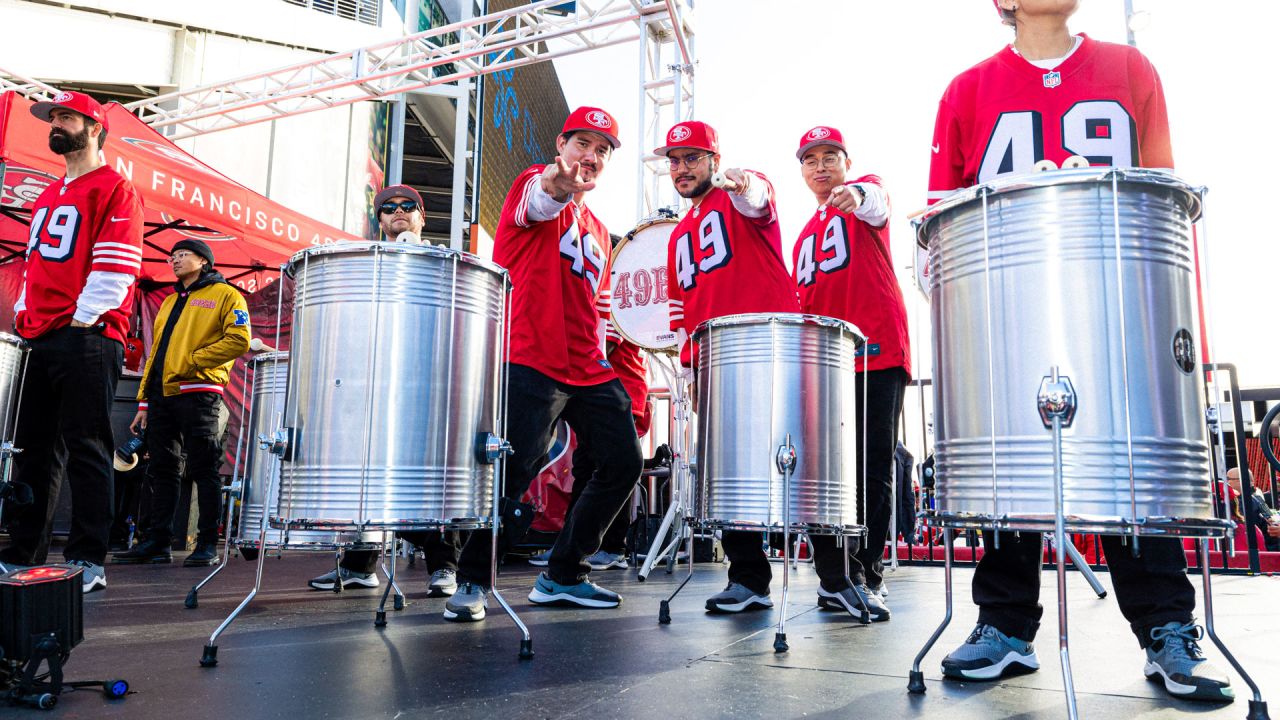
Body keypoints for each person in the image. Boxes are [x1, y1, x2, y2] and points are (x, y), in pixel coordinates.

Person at [927, 0, 1233, 702]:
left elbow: (1160, 190)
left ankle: (1166, 629)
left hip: (1115, 289)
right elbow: (941, 208)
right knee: (1011, 459)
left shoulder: (1130, 68)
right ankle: (1005, 625)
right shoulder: (967, 88)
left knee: (1131, 461)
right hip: (1011, 295)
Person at [443, 107, 643, 622]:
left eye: (602, 151)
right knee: (514, 469)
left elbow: (596, 298)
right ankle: (471, 580)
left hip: (588, 361)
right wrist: (558, 183)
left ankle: (564, 573)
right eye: (583, 145)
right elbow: (542, 199)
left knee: (623, 461)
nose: (590, 157)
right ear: (561, 145)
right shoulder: (533, 181)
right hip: (532, 351)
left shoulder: (599, 229)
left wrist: (617, 327)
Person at [656, 120, 807, 615]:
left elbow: (758, 197)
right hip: (716, 355)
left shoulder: (737, 194)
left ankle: (839, 574)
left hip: (768, 339)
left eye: (692, 158)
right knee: (726, 466)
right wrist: (690, 369)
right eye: (674, 160)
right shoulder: (678, 232)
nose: (682, 168)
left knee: (796, 453)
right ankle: (748, 577)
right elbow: (680, 311)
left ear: (714, 162)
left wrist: (742, 182)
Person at [0, 91, 144, 593]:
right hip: (40, 334)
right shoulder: (46, 193)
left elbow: (118, 263)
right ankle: (24, 554)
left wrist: (84, 318)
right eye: (53, 117)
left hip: (88, 335)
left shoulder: (116, 187)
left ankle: (88, 560)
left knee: (87, 446)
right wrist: (23, 311)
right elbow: (36, 262)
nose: (56, 124)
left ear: (94, 128)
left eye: (66, 117)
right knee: (34, 450)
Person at [304, 184, 461, 596]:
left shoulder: (442, 260)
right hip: (373, 375)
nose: (398, 213)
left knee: (427, 476)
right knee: (363, 470)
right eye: (388, 209)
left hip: (426, 377)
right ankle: (359, 564)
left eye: (408, 207)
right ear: (379, 221)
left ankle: (444, 566)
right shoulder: (368, 262)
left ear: (422, 216)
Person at [790, 125, 910, 621]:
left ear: (846, 161)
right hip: (823, 365)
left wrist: (855, 193)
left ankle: (865, 574)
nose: (821, 167)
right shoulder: (803, 235)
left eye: (830, 157)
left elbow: (876, 200)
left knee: (871, 470)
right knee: (819, 474)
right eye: (810, 159)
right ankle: (835, 578)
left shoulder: (862, 198)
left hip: (873, 353)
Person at [113, 239, 249, 568]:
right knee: (161, 469)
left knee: (204, 467)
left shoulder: (226, 295)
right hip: (162, 395)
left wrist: (193, 360)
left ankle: (206, 544)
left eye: (182, 255)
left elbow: (240, 339)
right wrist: (144, 401)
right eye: (172, 256)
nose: (174, 260)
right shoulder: (171, 300)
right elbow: (156, 353)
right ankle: (157, 541)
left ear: (204, 260)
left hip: (200, 391)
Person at [1226, 467, 1280, 552]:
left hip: (1257, 553)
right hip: (1270, 550)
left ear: (1240, 480)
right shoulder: (1259, 499)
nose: (1226, 482)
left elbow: (1240, 529)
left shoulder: (1241, 502)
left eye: (1227, 479)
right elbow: (1271, 519)